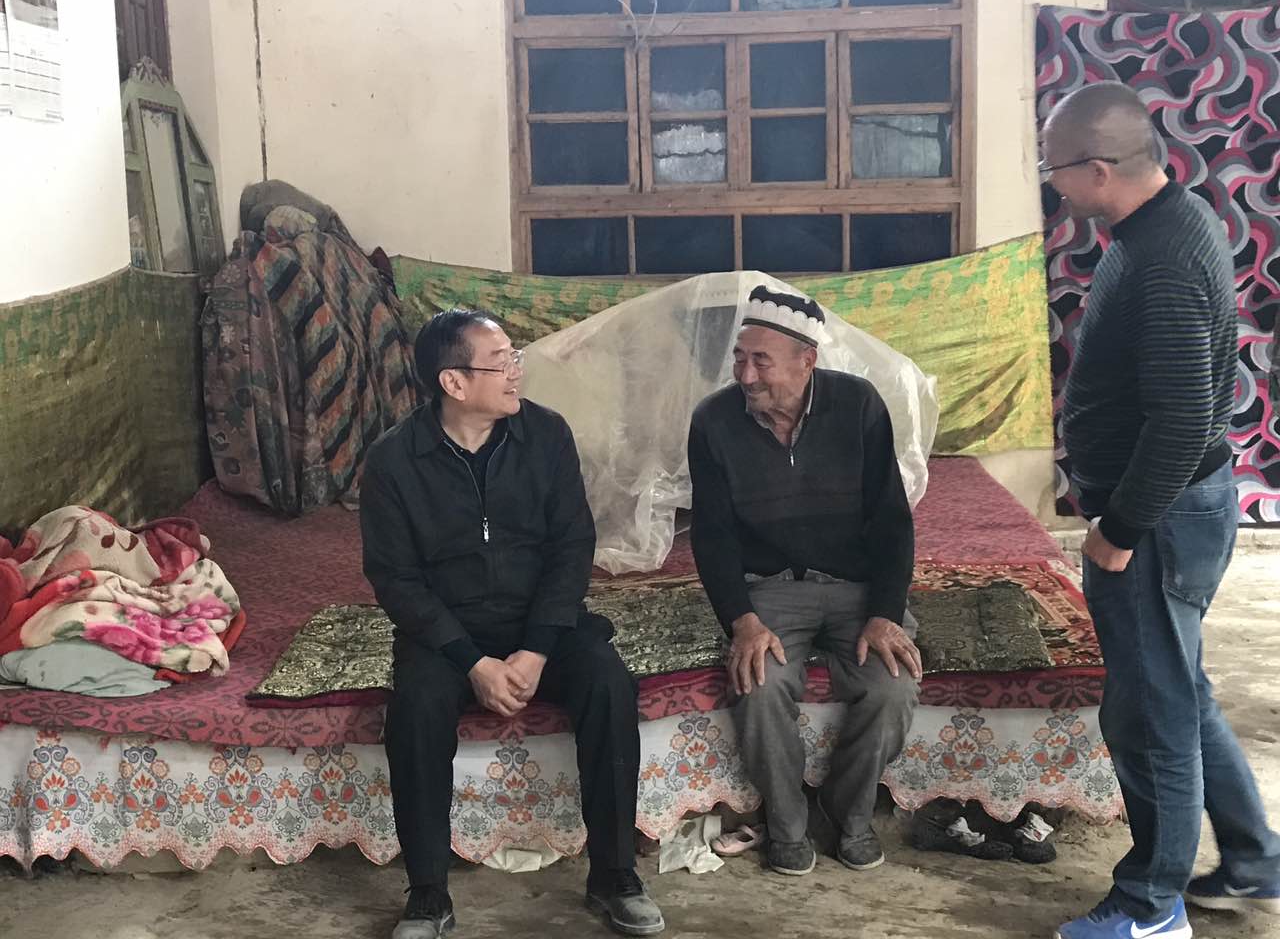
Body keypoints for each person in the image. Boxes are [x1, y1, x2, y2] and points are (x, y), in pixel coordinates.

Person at [1043, 81, 1280, 939]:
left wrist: (1120, 530)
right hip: (1176, 508)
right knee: (1181, 691)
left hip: (1160, 518)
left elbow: (1180, 419)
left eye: (1056, 170)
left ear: (1099, 169)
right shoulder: (1167, 223)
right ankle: (1253, 857)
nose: (1053, 186)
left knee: (1151, 715)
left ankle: (1151, 907)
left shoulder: (1165, 257)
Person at [361, 310, 665, 939]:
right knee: (415, 708)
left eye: (513, 358)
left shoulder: (545, 435)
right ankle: (427, 893)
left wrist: (535, 650)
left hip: (542, 624)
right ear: (453, 382)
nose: (516, 373)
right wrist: (471, 662)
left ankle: (614, 875)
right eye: (500, 363)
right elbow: (396, 579)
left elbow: (572, 547)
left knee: (609, 683)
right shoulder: (394, 460)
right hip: (448, 634)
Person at [687, 285, 920, 878]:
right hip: (769, 587)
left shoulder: (858, 405)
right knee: (759, 683)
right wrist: (742, 620)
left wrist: (885, 613)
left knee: (892, 688)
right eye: (740, 358)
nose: (745, 374)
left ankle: (849, 814)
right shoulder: (714, 420)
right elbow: (712, 535)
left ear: (806, 360)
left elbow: (892, 521)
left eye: (761, 361)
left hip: (856, 587)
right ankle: (786, 822)